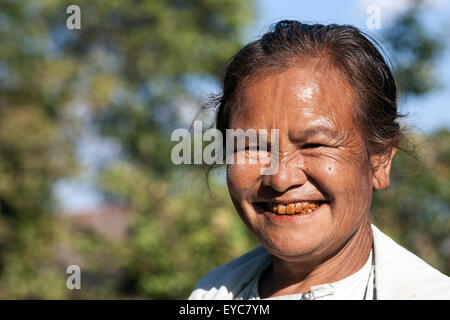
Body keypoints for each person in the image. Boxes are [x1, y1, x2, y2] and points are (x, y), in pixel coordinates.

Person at [188, 20, 450, 300]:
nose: (280, 178)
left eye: (313, 144)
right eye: (253, 147)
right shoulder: (213, 293)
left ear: (380, 160)